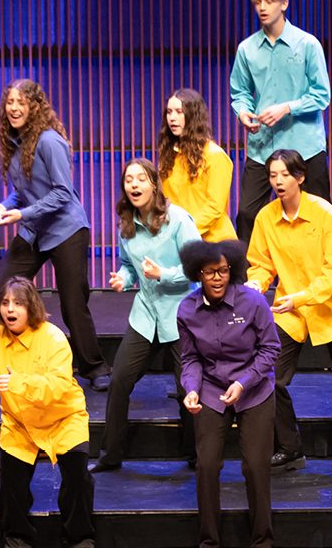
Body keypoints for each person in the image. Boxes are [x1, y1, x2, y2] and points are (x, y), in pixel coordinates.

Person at [0, 78, 109, 391]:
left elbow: (63, 193)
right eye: (10, 103)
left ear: (34, 107)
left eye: (21, 103)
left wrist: (21, 213)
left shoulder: (49, 141)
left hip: (66, 228)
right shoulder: (13, 144)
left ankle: (94, 367)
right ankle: (0, 362)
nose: (14, 108)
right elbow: (21, 191)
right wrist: (6, 205)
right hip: (35, 230)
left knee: (72, 302)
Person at [246, 149, 332, 469]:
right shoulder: (265, 217)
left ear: (300, 178)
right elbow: (260, 265)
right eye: (273, 176)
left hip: (331, 307)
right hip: (289, 312)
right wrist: (256, 284)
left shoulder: (324, 213)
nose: (278, 181)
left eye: (285, 175)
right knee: (270, 377)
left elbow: (331, 274)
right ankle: (290, 446)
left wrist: (300, 298)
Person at [0, 276, 94, 548]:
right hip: (20, 423)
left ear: (31, 307)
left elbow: (58, 387)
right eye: (5, 303)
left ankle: (80, 538)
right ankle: (17, 538)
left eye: (18, 303)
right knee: (11, 483)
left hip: (63, 419)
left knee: (77, 476)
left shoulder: (53, 338)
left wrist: (19, 382)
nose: (10, 310)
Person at [92, 158, 201, 472]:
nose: (134, 185)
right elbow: (130, 267)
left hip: (181, 315)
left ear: (154, 184)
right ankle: (110, 455)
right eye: (129, 180)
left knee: (188, 388)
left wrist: (163, 274)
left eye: (141, 178)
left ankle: (196, 455)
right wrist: (124, 279)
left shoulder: (178, 219)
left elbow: (198, 267)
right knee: (120, 380)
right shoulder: (126, 225)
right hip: (146, 316)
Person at [178, 239, 280, 548]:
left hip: (255, 389)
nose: (218, 278)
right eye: (210, 272)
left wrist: (244, 382)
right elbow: (191, 358)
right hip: (211, 388)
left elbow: (270, 349)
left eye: (223, 270)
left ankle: (262, 541)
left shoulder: (253, 302)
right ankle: (209, 541)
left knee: (255, 466)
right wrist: (191, 389)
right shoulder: (187, 309)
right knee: (207, 465)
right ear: (199, 274)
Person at [230, 0, 332, 245]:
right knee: (247, 215)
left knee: (317, 217)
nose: (262, 8)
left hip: (304, 147)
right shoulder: (247, 49)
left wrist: (287, 108)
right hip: (262, 145)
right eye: (257, 2)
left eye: (269, 1)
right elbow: (239, 92)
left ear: (284, 4)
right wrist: (243, 112)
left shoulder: (307, 44)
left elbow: (322, 95)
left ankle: (319, 282)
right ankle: (249, 285)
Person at [160, 88, 238, 242]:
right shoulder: (170, 156)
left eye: (179, 112)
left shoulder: (215, 156)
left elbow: (215, 208)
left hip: (214, 242)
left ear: (192, 115)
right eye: (169, 112)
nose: (172, 118)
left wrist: (185, 230)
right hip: (180, 241)